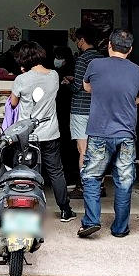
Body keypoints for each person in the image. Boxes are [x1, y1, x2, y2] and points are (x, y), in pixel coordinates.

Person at [77, 29, 139, 239]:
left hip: (99, 132)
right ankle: (120, 228)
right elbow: (137, 100)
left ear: (108, 45)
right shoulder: (137, 71)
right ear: (130, 49)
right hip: (125, 134)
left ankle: (91, 221)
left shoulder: (95, 65)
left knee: (91, 177)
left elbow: (87, 87)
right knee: (124, 181)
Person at [8, 42, 76, 222]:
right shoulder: (54, 75)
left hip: (27, 135)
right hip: (50, 132)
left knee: (25, 170)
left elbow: (13, 103)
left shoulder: (21, 79)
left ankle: (28, 207)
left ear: (24, 59)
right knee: (56, 171)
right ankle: (65, 210)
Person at [65, 26, 104, 179]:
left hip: (80, 109)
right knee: (96, 148)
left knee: (83, 149)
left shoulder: (82, 59)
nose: (77, 44)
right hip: (98, 108)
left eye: (77, 41)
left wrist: (68, 83)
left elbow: (77, 87)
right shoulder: (102, 58)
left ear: (82, 40)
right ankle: (98, 182)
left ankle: (86, 184)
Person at [52, 45, 78, 188]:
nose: (58, 60)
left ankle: (69, 176)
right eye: (57, 57)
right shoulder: (53, 73)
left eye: (61, 57)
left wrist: (71, 82)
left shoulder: (73, 72)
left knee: (68, 146)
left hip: (69, 114)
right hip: (56, 114)